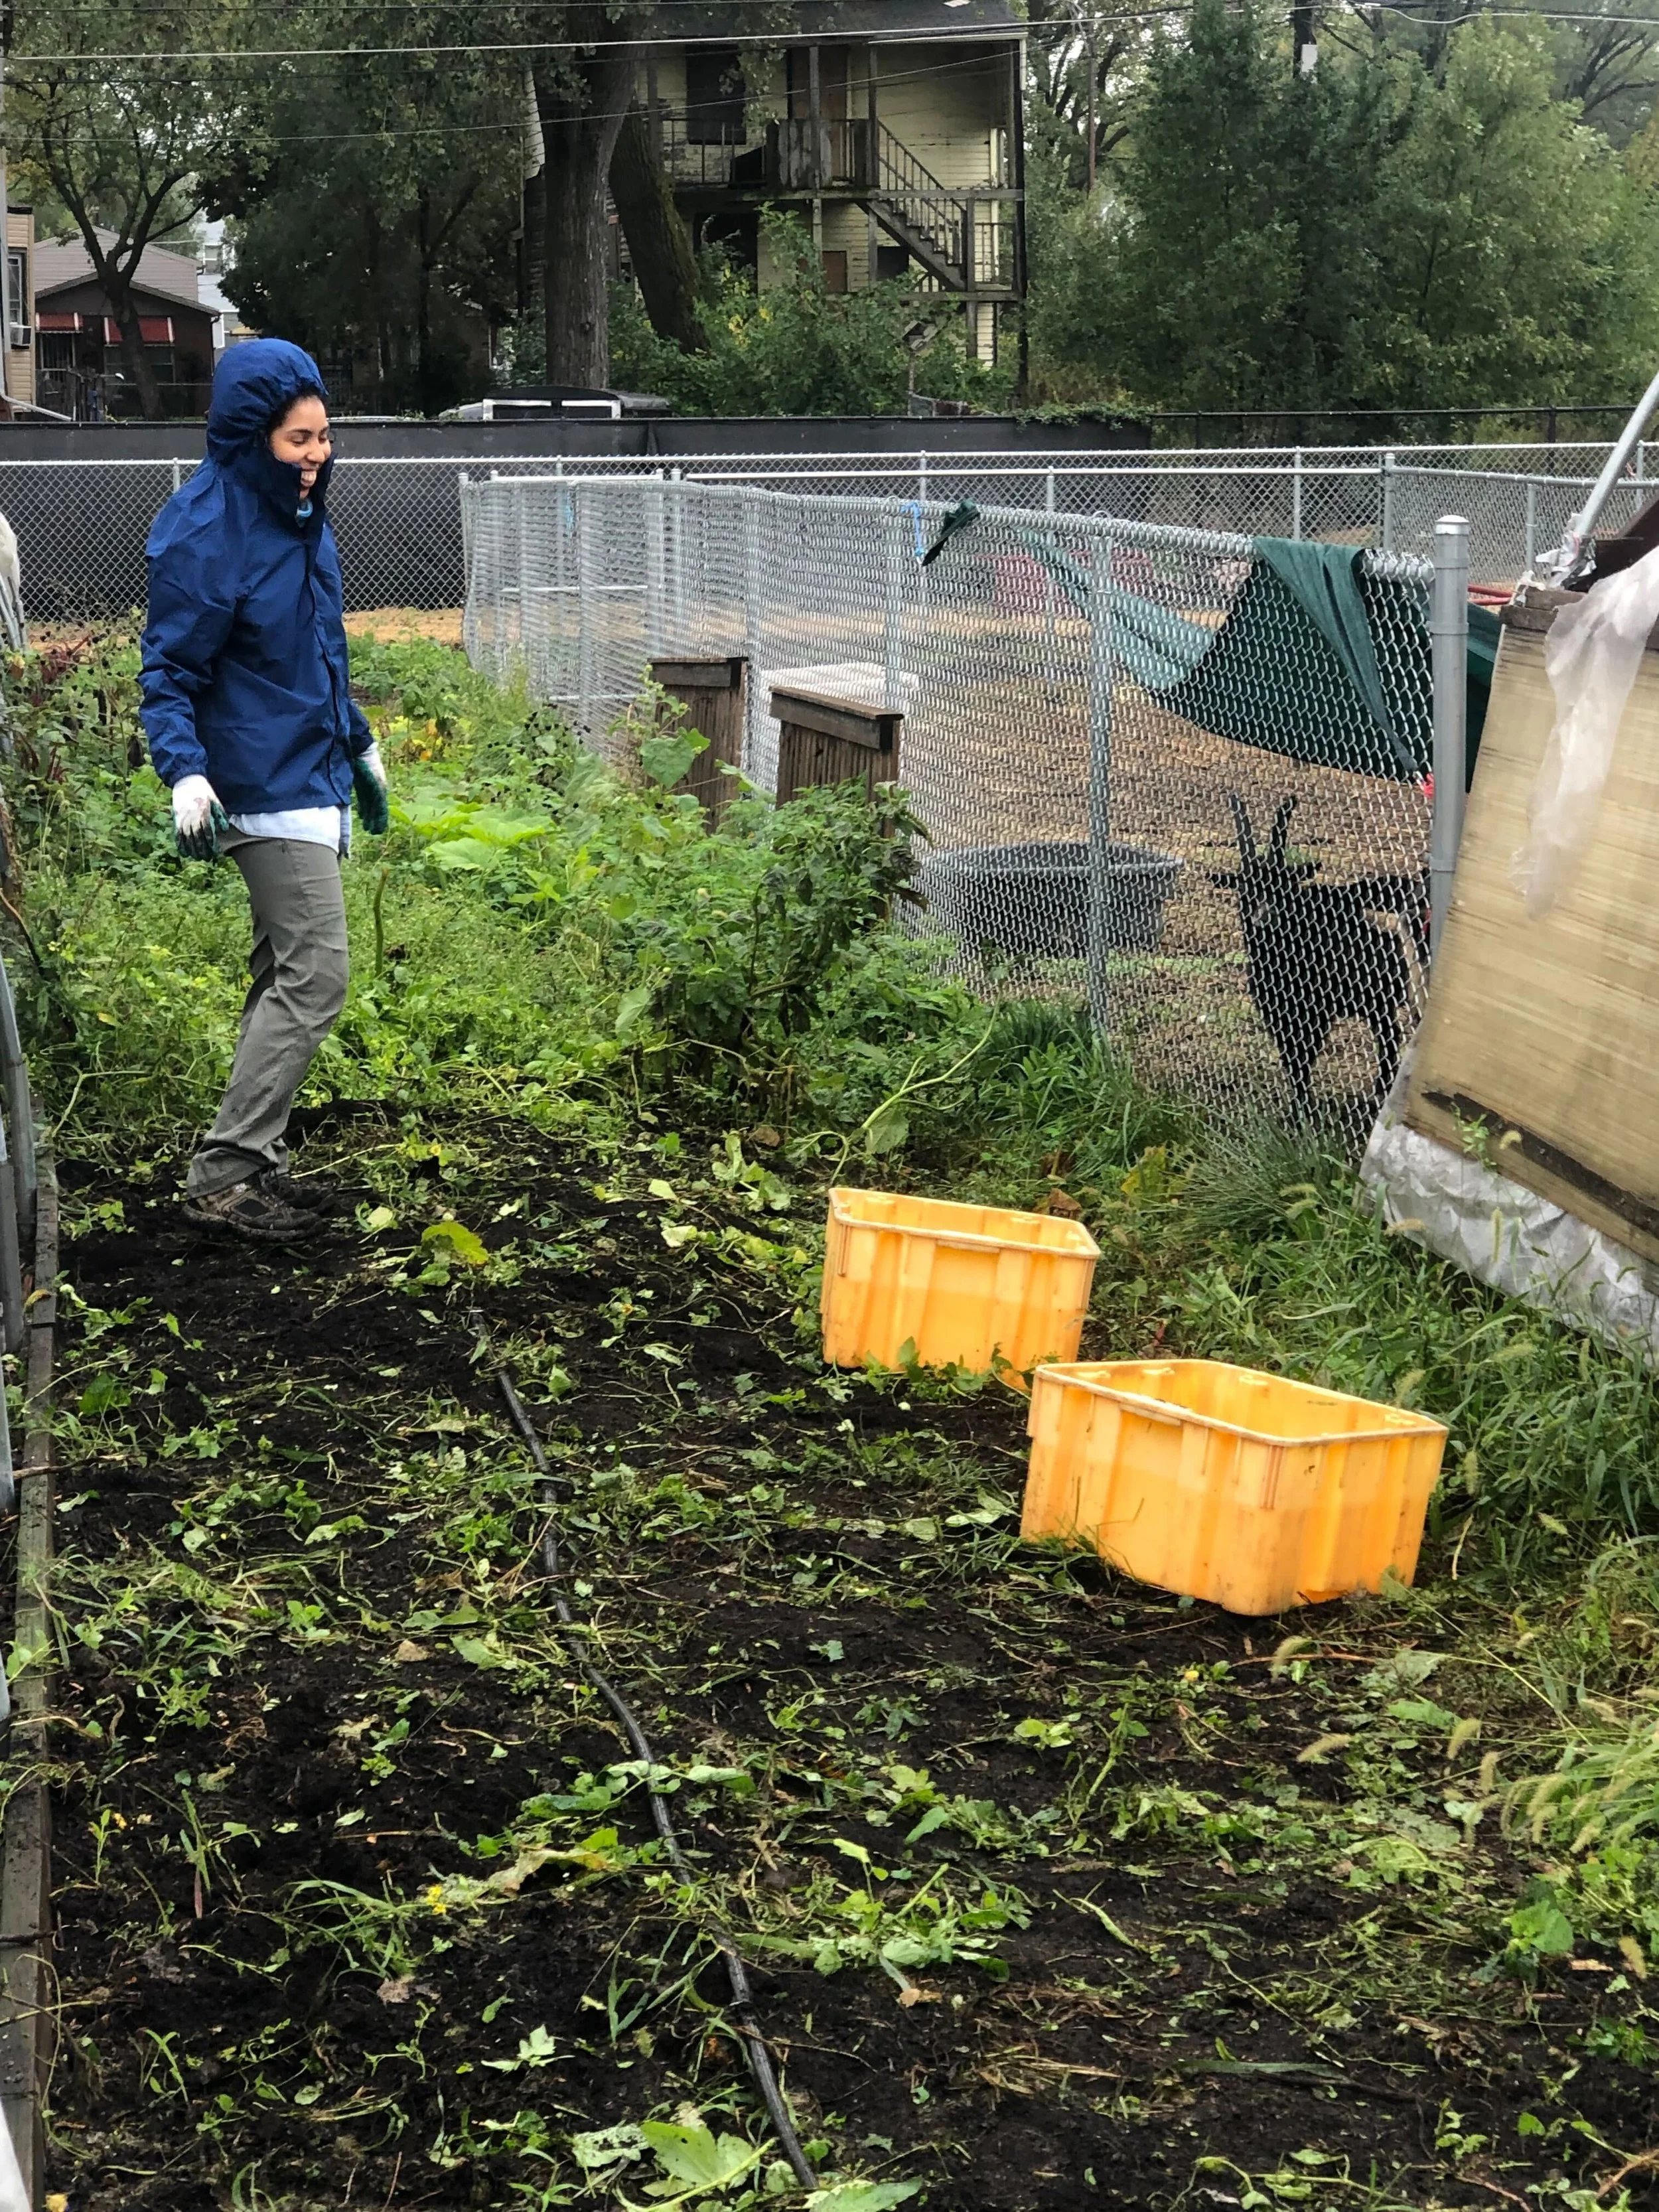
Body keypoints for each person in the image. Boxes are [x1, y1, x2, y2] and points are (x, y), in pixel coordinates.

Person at [141, 339, 389, 1246]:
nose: (318, 454)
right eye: (299, 440)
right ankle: (224, 1174)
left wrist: (356, 741)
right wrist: (185, 768)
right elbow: (168, 670)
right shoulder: (208, 533)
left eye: (324, 436)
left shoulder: (299, 518)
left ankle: (254, 1161)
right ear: (252, 437)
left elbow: (312, 653)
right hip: (253, 782)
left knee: (279, 973)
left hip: (307, 769)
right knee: (318, 973)